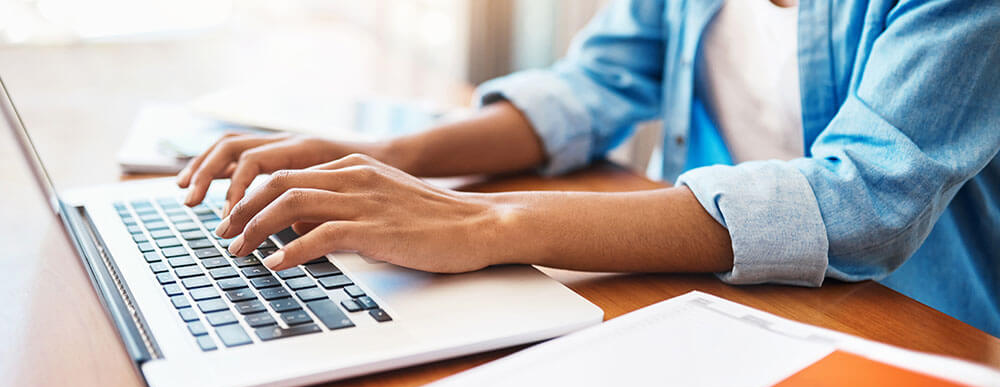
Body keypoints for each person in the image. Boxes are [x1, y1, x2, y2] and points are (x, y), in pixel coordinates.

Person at [177, 0, 1000, 336]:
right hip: (703, 293)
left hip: (909, 323)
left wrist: (482, 222)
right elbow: (593, 84)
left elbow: (866, 198)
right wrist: (394, 161)